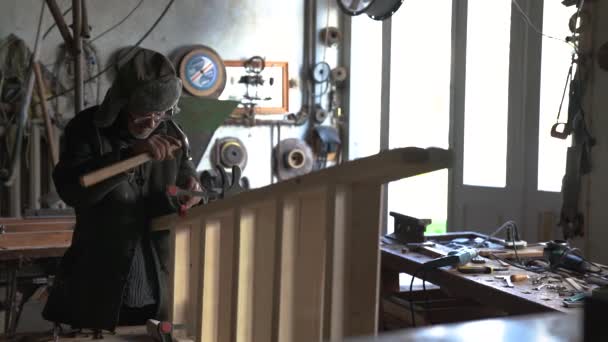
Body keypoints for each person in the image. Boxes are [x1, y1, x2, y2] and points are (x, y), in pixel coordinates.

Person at [42, 48, 202, 332]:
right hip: (99, 282)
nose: (152, 124)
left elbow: (186, 180)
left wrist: (191, 192)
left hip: (158, 286)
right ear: (122, 103)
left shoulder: (173, 133)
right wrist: (127, 157)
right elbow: (71, 190)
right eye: (143, 115)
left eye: (160, 114)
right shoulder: (88, 129)